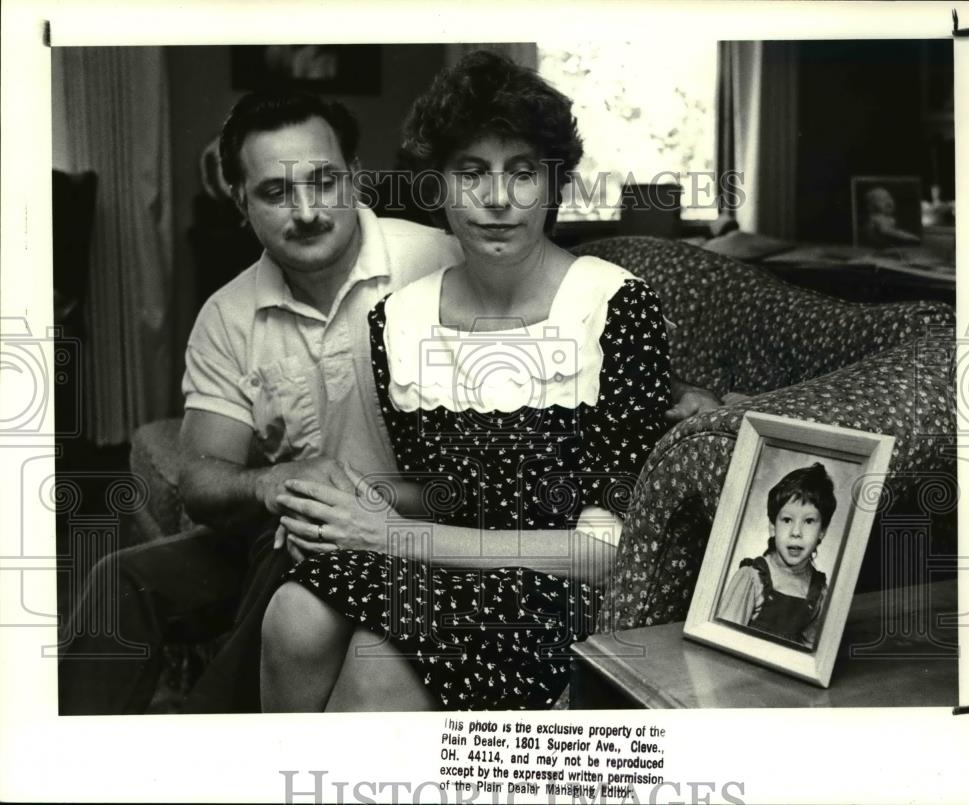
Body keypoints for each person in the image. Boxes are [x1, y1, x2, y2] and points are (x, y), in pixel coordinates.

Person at [258, 51, 710, 712]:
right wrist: (336, 504)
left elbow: (616, 552)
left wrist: (394, 537)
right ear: (437, 186)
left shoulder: (615, 307)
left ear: (554, 185)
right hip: (440, 560)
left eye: (522, 172)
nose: (498, 198)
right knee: (292, 614)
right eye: (471, 172)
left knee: (376, 664)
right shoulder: (399, 321)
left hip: (556, 585)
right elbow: (450, 492)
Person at [57, 90, 462, 714]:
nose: (306, 212)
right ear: (240, 203)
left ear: (355, 177)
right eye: (275, 192)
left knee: (297, 561)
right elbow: (199, 476)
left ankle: (210, 742)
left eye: (325, 182)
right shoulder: (227, 315)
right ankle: (66, 766)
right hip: (284, 530)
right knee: (119, 580)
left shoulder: (438, 260)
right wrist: (272, 482)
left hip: (417, 525)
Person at [716, 462, 835, 649]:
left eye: (809, 521)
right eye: (787, 520)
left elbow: (813, 654)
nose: (796, 532)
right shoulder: (751, 578)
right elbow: (722, 642)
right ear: (772, 527)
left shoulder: (819, 593)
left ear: (822, 532)